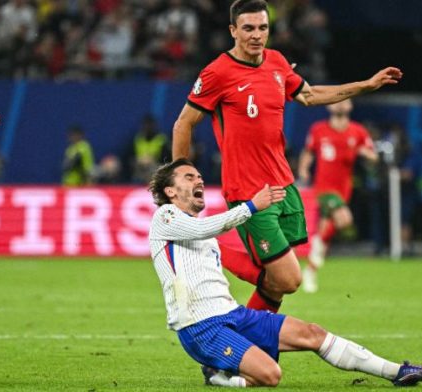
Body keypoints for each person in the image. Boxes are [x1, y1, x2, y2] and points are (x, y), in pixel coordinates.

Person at [171, 0, 403, 312]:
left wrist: (365, 85)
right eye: (248, 28)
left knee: (277, 285)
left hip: (283, 185)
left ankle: (243, 349)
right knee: (290, 278)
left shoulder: (277, 62)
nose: (256, 35)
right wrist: (181, 180)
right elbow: (184, 123)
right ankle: (206, 245)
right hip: (248, 191)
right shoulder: (218, 73)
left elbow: (309, 95)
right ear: (233, 31)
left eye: (262, 27)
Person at [147, 159, 422, 388]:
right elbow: (205, 227)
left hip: (233, 314)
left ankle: (397, 371)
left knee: (313, 333)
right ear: (170, 192)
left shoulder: (204, 234)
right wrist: (251, 206)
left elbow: (220, 252)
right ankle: (220, 377)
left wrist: (265, 279)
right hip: (201, 327)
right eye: (189, 177)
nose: (198, 180)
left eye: (199, 176)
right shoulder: (165, 217)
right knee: (270, 376)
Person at [297, 99, 378, 293]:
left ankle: (311, 268)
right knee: (345, 219)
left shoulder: (357, 131)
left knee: (327, 230)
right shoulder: (319, 129)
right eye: (337, 101)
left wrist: (365, 154)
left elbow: (373, 155)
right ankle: (312, 260)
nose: (341, 105)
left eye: (345, 101)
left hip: (344, 191)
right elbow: (308, 152)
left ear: (350, 106)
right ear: (329, 106)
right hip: (324, 189)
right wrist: (303, 168)